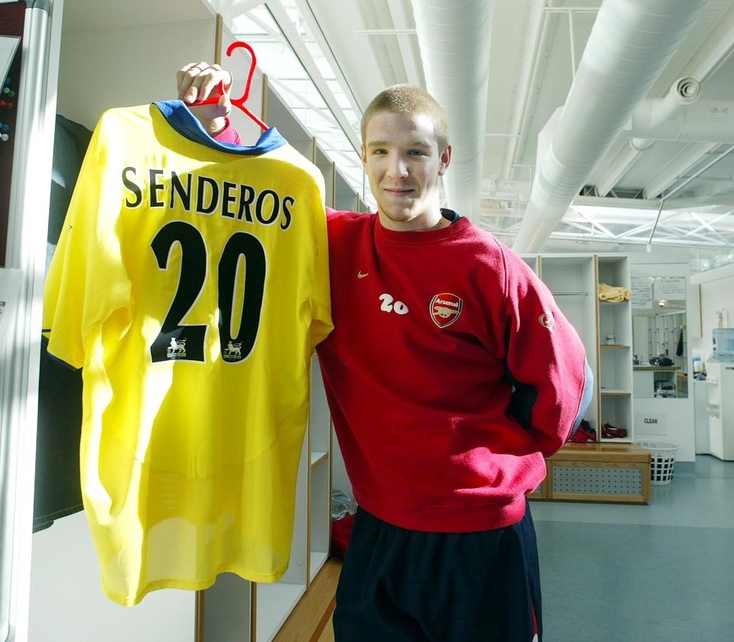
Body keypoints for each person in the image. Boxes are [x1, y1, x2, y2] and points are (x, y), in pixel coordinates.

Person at [177, 62, 593, 641]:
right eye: (379, 152)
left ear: (443, 159)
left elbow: (566, 388)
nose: (396, 171)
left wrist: (495, 468)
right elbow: (244, 210)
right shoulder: (330, 245)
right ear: (364, 156)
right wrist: (212, 129)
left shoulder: (490, 267)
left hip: (480, 535)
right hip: (379, 530)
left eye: (415, 153)